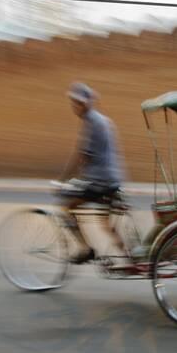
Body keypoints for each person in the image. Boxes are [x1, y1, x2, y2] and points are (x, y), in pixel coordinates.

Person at [58, 82, 126, 265]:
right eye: (73, 103)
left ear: (87, 103)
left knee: (67, 207)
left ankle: (85, 249)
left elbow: (82, 156)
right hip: (112, 180)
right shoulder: (103, 120)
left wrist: (64, 179)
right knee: (106, 223)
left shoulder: (92, 122)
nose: (75, 107)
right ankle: (132, 258)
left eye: (77, 103)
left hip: (100, 182)